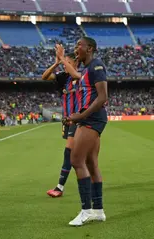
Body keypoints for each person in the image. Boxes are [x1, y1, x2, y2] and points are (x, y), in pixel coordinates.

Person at [63, 37, 108, 226]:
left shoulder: (96, 66)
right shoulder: (86, 70)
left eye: (78, 46)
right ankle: (98, 211)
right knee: (91, 164)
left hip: (92, 119)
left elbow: (102, 97)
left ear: (89, 48)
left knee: (76, 160)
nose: (75, 50)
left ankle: (86, 210)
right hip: (89, 118)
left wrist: (80, 117)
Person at [42, 51, 80, 198]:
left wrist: (63, 60)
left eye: (68, 63)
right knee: (79, 154)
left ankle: (59, 187)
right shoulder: (63, 78)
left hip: (79, 119)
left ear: (76, 63)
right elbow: (44, 76)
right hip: (67, 120)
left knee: (69, 152)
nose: (65, 66)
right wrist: (57, 63)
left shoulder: (82, 75)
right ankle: (90, 181)